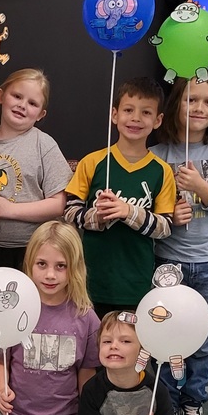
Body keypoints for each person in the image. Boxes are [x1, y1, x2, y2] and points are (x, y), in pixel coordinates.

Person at [150, 71, 208, 415]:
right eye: (191, 99)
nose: (199, 108)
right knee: (166, 336)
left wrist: (201, 188)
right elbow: (152, 214)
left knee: (204, 338)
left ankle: (194, 402)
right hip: (167, 261)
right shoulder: (157, 153)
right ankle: (167, 404)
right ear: (176, 105)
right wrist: (169, 214)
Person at [0, 221, 100, 415]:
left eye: (61, 266)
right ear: (30, 264)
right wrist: (1, 390)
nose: (50, 274)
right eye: (42, 264)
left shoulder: (85, 317)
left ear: (74, 268)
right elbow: (0, 363)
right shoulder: (14, 310)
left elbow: (87, 373)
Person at [63, 77, 176, 318]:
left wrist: (128, 212)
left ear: (157, 121)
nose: (135, 118)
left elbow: (165, 227)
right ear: (115, 115)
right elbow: (70, 212)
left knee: (128, 349)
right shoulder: (92, 162)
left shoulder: (162, 171)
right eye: (128, 110)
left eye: (146, 112)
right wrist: (98, 216)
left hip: (136, 285)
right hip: (90, 281)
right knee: (92, 350)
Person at [0, 68, 72, 281]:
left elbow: (58, 204)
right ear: (1, 96)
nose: (22, 105)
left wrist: (11, 210)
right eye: (16, 96)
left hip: (35, 253)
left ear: (41, 114)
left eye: (33, 103)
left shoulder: (44, 145)